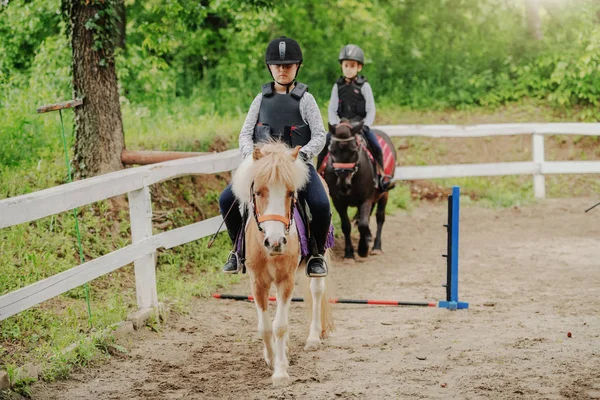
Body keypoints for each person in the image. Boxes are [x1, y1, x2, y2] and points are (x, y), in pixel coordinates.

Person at [218, 36, 330, 278]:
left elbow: (320, 135)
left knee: (321, 205)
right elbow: (245, 134)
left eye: (288, 66)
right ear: (270, 67)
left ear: (297, 67)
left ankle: (316, 254)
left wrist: (302, 155)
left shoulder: (306, 100)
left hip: (295, 166)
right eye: (277, 66)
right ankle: (238, 251)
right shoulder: (260, 99)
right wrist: (253, 157)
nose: (282, 70)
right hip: (265, 167)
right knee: (226, 200)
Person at [318, 44, 389, 190]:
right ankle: (318, 174)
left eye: (352, 65)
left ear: (359, 67)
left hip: (359, 126)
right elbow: (332, 109)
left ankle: (382, 176)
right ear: (342, 67)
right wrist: (336, 125)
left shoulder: (364, 86)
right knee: (324, 144)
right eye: (346, 65)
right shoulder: (337, 86)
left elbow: (370, 109)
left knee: (375, 145)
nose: (348, 68)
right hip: (341, 127)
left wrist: (365, 125)